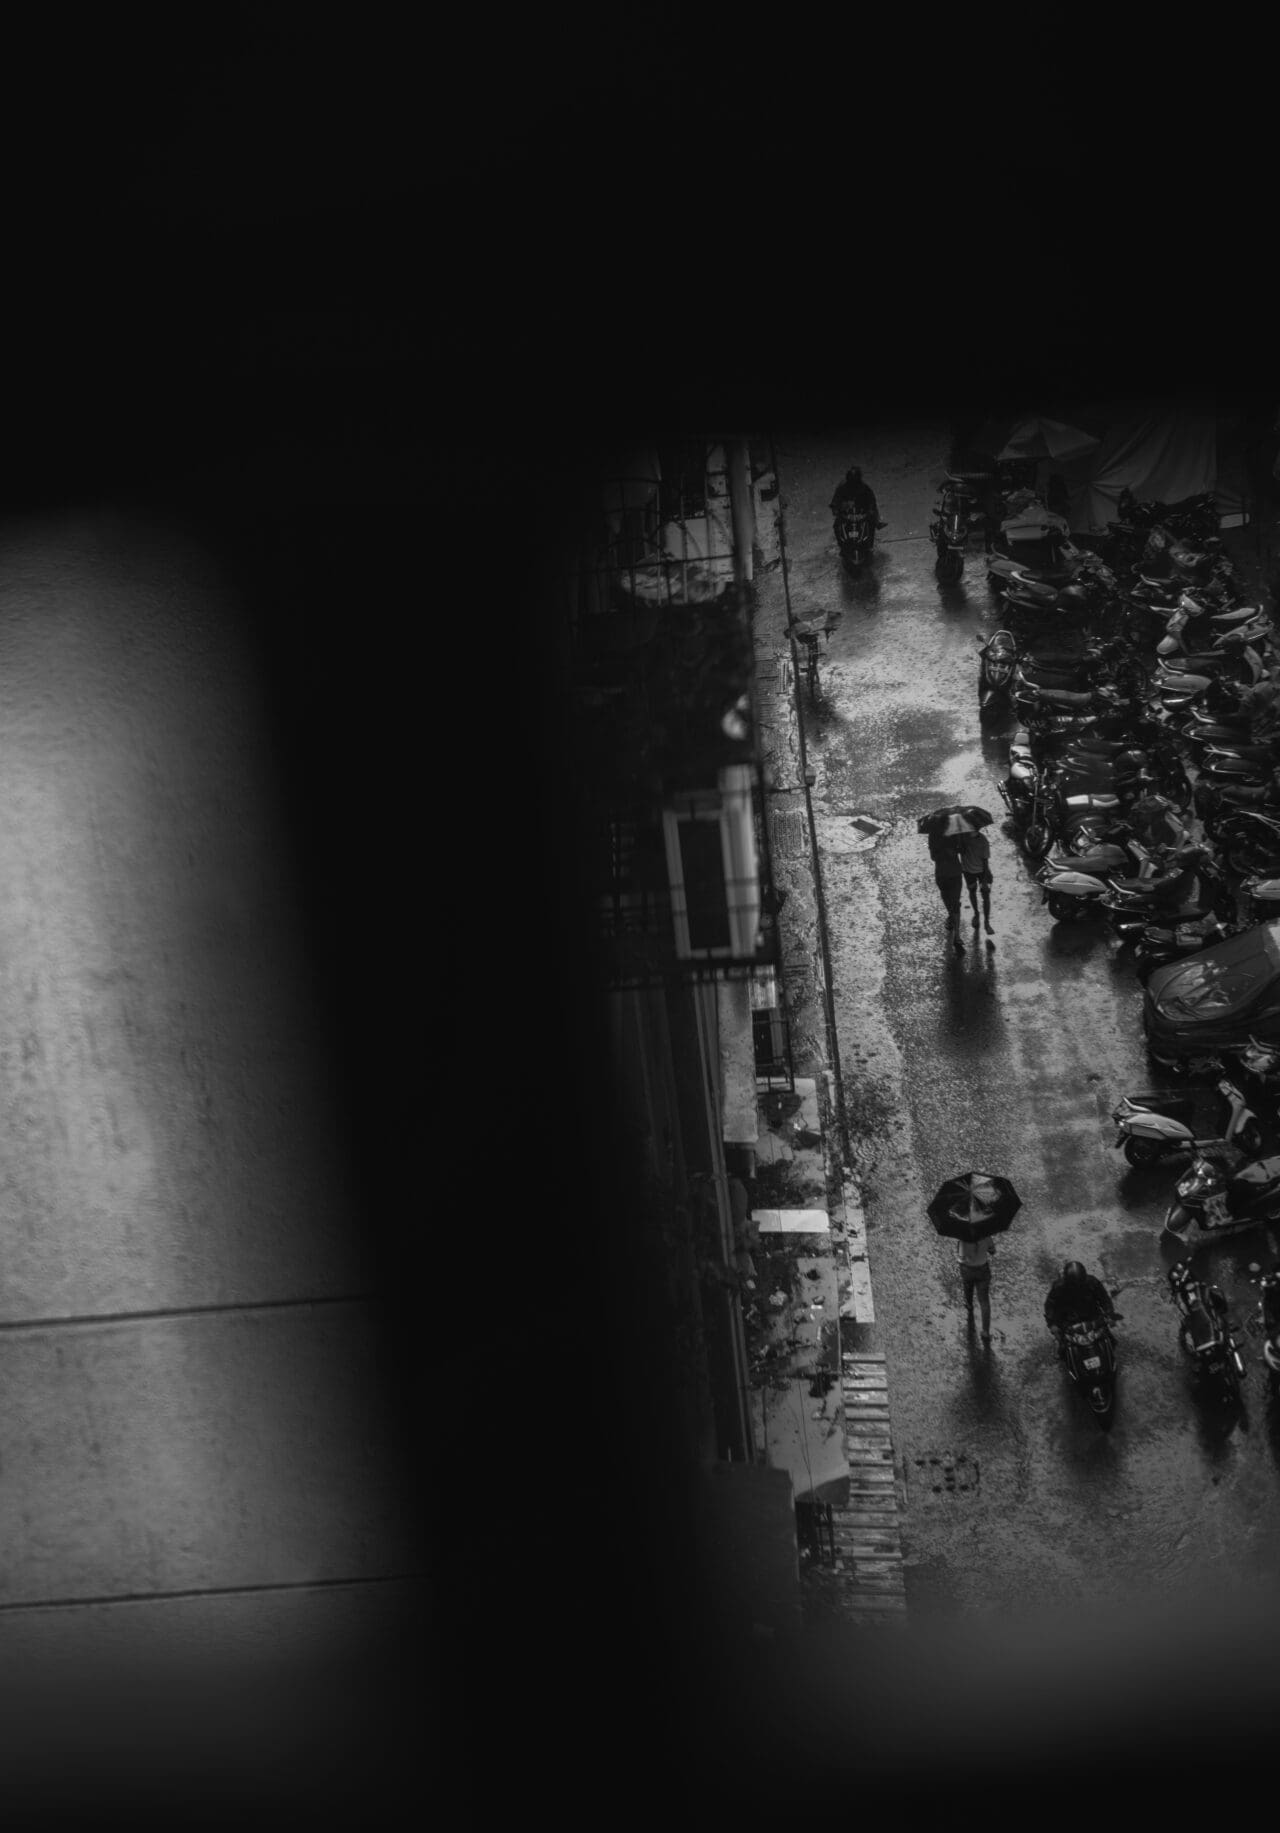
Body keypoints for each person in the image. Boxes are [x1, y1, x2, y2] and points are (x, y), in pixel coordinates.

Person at [1043, 1260, 1118, 1351]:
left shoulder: (1092, 1282)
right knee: (1062, 1349)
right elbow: (1050, 1306)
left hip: (1093, 1318)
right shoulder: (1058, 1287)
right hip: (1068, 1321)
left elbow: (1104, 1299)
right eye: (1074, 1283)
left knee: (1111, 1341)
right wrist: (1052, 1324)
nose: (1077, 1285)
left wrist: (1109, 1314)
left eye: (1079, 1282)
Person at [929, 831, 965, 954]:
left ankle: (957, 935)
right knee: (949, 901)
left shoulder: (954, 834)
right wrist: (946, 852)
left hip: (951, 873)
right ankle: (951, 917)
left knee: (954, 903)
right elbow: (933, 856)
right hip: (945, 873)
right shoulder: (934, 835)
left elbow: (961, 849)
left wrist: (954, 850)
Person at [956, 1233, 995, 1343]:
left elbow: (961, 1256)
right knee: (984, 1301)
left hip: (967, 1269)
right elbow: (992, 1251)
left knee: (967, 1286)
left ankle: (969, 1304)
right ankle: (985, 1331)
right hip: (982, 1270)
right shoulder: (986, 1235)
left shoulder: (962, 1237)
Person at [958, 827, 994, 940]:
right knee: (972, 891)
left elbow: (985, 861)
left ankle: (986, 921)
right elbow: (959, 850)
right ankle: (977, 914)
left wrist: (985, 878)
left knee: (985, 895)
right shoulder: (963, 838)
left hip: (980, 872)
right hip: (968, 871)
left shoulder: (983, 840)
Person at [830, 466, 886, 531]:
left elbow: (871, 499)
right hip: (846, 510)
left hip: (860, 509)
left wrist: (870, 509)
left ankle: (877, 522)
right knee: (836, 526)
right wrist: (835, 508)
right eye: (852, 478)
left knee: (871, 520)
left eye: (855, 478)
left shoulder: (864, 487)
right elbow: (836, 499)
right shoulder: (842, 487)